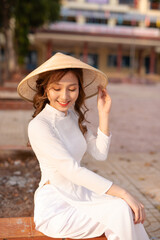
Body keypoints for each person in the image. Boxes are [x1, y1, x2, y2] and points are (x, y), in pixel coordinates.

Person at [17, 52, 149, 240]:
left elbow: (100, 154)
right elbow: (72, 170)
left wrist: (104, 114)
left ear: (79, 90)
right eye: (57, 88)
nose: (64, 96)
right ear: (46, 89)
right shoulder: (39, 126)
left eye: (72, 88)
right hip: (56, 206)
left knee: (122, 208)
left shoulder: (73, 118)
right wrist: (124, 192)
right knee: (120, 208)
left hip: (81, 196)